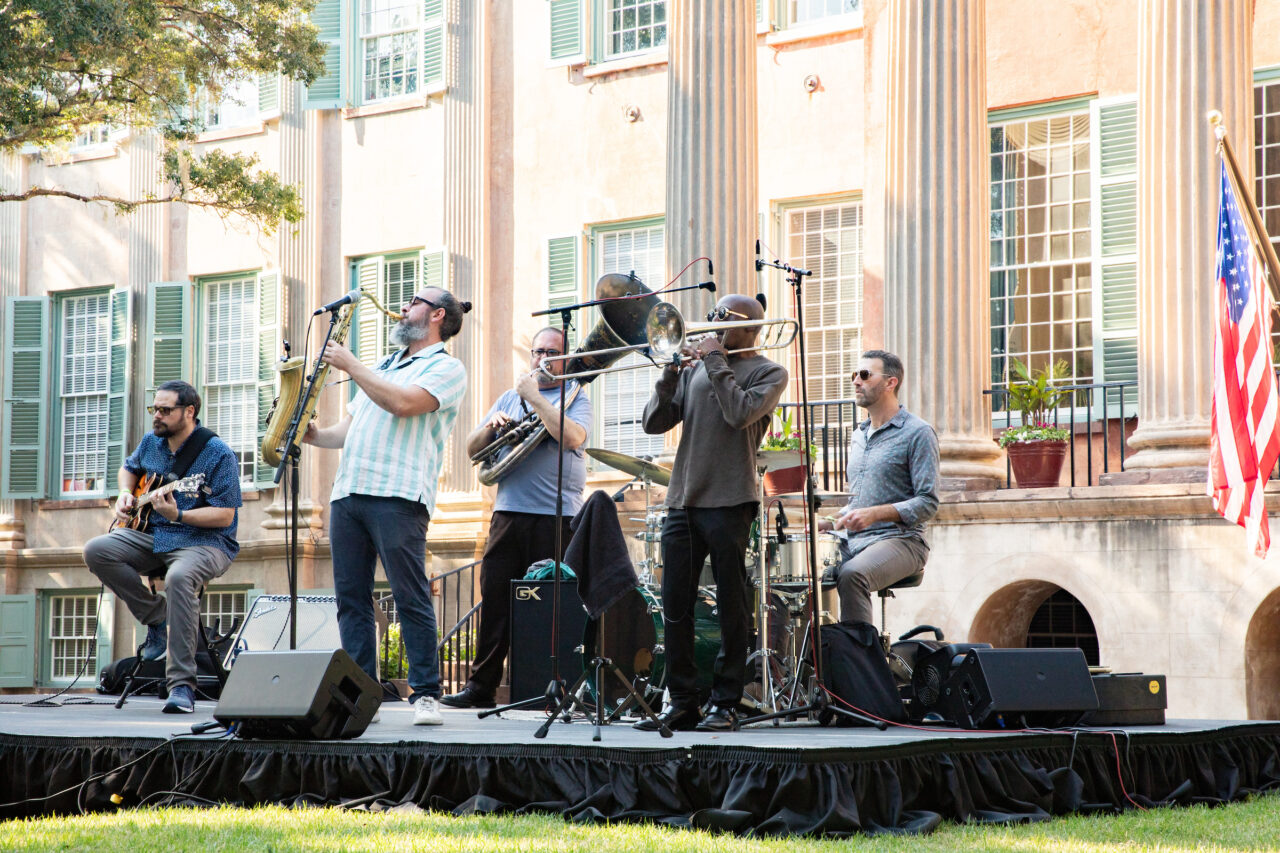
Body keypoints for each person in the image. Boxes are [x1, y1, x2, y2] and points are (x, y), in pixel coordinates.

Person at [303, 286, 469, 726]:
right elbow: (349, 429)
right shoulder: (383, 365)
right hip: (349, 492)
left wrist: (351, 365)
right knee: (351, 599)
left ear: (436, 316)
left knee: (409, 594)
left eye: (414, 301)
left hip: (398, 493)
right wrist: (314, 434)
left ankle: (426, 694)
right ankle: (360, 696)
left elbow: (402, 404)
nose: (404, 306)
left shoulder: (446, 367)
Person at [636, 293, 788, 732]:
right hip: (683, 497)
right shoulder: (699, 368)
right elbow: (654, 422)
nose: (712, 324)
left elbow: (740, 413)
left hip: (730, 498)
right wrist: (668, 374)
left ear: (749, 327)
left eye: (723, 318)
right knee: (676, 603)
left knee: (731, 603)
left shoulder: (769, 372)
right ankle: (682, 700)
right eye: (713, 316)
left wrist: (717, 362)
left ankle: (726, 702)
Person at [441, 327, 592, 708]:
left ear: (566, 359)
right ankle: (481, 688)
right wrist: (492, 428)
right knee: (495, 600)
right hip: (508, 513)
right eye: (537, 351)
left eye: (551, 352)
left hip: (556, 518)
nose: (542, 359)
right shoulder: (509, 398)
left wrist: (535, 398)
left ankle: (550, 690)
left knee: (549, 605)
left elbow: (572, 437)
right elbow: (473, 449)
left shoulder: (575, 396)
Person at [84, 380, 243, 714]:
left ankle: (182, 686)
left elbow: (225, 514)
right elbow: (129, 468)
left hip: (204, 542)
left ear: (189, 411)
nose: (157, 416)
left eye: (165, 410)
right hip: (152, 534)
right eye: (154, 408)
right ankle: (157, 620)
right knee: (97, 549)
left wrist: (180, 513)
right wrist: (125, 494)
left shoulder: (218, 453)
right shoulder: (151, 442)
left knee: (179, 578)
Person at [820, 349, 939, 625]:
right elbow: (859, 502)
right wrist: (830, 521)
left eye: (864, 375)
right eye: (854, 375)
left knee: (852, 575)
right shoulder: (858, 435)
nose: (856, 381)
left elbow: (928, 502)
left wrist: (876, 514)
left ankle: (860, 661)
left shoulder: (918, 433)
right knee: (800, 573)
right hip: (854, 540)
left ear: (890, 382)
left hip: (903, 541)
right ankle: (812, 658)